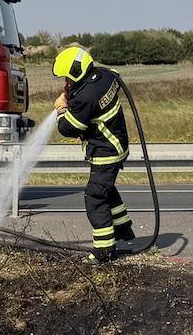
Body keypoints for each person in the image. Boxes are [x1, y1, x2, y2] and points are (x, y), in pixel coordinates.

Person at [52, 44, 135, 262]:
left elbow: (69, 127)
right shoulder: (105, 76)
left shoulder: (86, 96)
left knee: (95, 196)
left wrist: (61, 108)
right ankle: (124, 229)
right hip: (118, 144)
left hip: (105, 150)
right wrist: (72, 92)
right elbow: (113, 77)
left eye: (68, 78)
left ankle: (104, 251)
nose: (66, 83)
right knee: (105, 188)